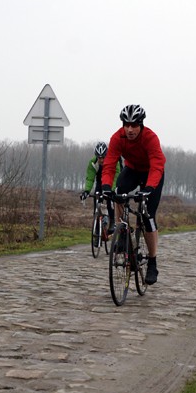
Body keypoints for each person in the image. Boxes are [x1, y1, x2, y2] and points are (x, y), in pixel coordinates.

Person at [101, 104, 166, 286]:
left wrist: (150, 188)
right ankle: (122, 232)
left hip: (152, 173)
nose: (129, 129)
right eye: (126, 124)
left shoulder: (150, 138)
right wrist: (106, 185)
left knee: (148, 218)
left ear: (141, 125)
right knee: (118, 192)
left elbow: (157, 166)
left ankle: (152, 263)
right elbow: (109, 164)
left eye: (134, 125)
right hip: (132, 169)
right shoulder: (117, 137)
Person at [80, 141, 120, 234]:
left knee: (110, 200)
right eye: (99, 157)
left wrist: (112, 189)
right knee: (97, 199)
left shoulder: (114, 161)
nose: (101, 160)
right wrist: (86, 191)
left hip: (110, 182)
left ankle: (112, 221)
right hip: (99, 183)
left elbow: (115, 177)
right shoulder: (93, 163)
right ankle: (97, 228)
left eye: (103, 157)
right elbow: (90, 179)